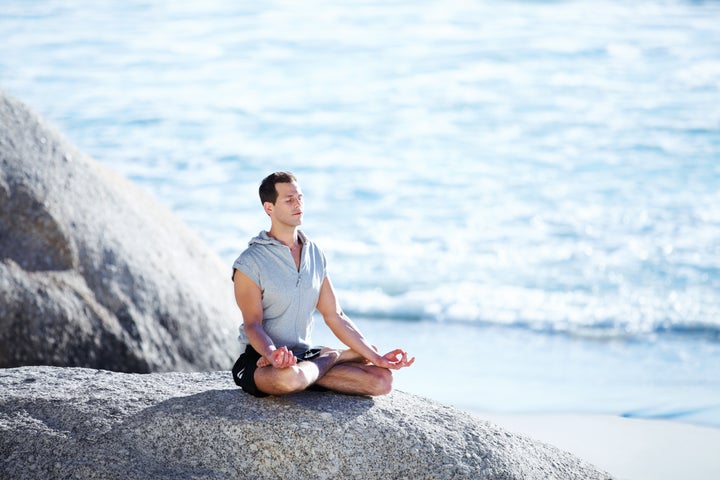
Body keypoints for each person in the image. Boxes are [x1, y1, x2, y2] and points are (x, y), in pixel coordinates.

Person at [231, 171, 414, 397]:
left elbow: (334, 315)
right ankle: (333, 356)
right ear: (269, 208)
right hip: (259, 359)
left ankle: (319, 365)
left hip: (304, 357)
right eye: (289, 200)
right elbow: (253, 324)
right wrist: (271, 355)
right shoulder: (250, 262)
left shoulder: (314, 253)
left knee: (382, 382)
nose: (298, 204)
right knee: (289, 378)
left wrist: (376, 357)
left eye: (300, 197)